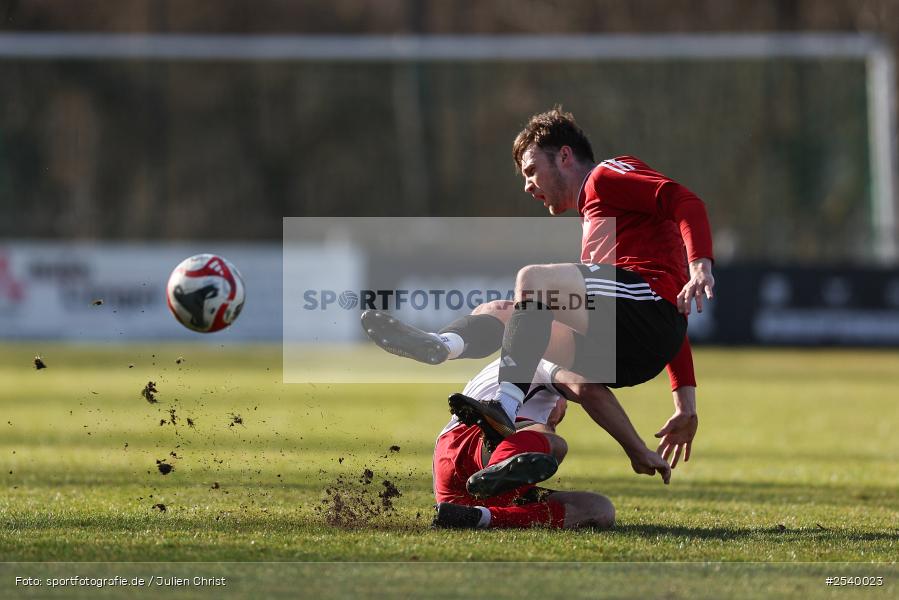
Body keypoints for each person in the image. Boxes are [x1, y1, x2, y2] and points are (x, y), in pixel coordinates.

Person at [364, 107, 714, 469]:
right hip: (631, 348)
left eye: (531, 170)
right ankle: (442, 345)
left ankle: (505, 406)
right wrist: (685, 404)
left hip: (648, 316)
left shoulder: (605, 176)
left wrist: (700, 265)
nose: (528, 185)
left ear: (564, 155)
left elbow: (685, 202)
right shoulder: (596, 224)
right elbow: (672, 316)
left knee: (533, 280)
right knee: (506, 313)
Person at [431, 355, 671, 529]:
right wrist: (638, 450)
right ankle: (497, 468)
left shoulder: (507, 364)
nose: (561, 414)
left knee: (599, 509)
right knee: (554, 442)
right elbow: (587, 390)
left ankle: (478, 517)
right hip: (469, 446)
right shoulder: (542, 358)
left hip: (452, 484)